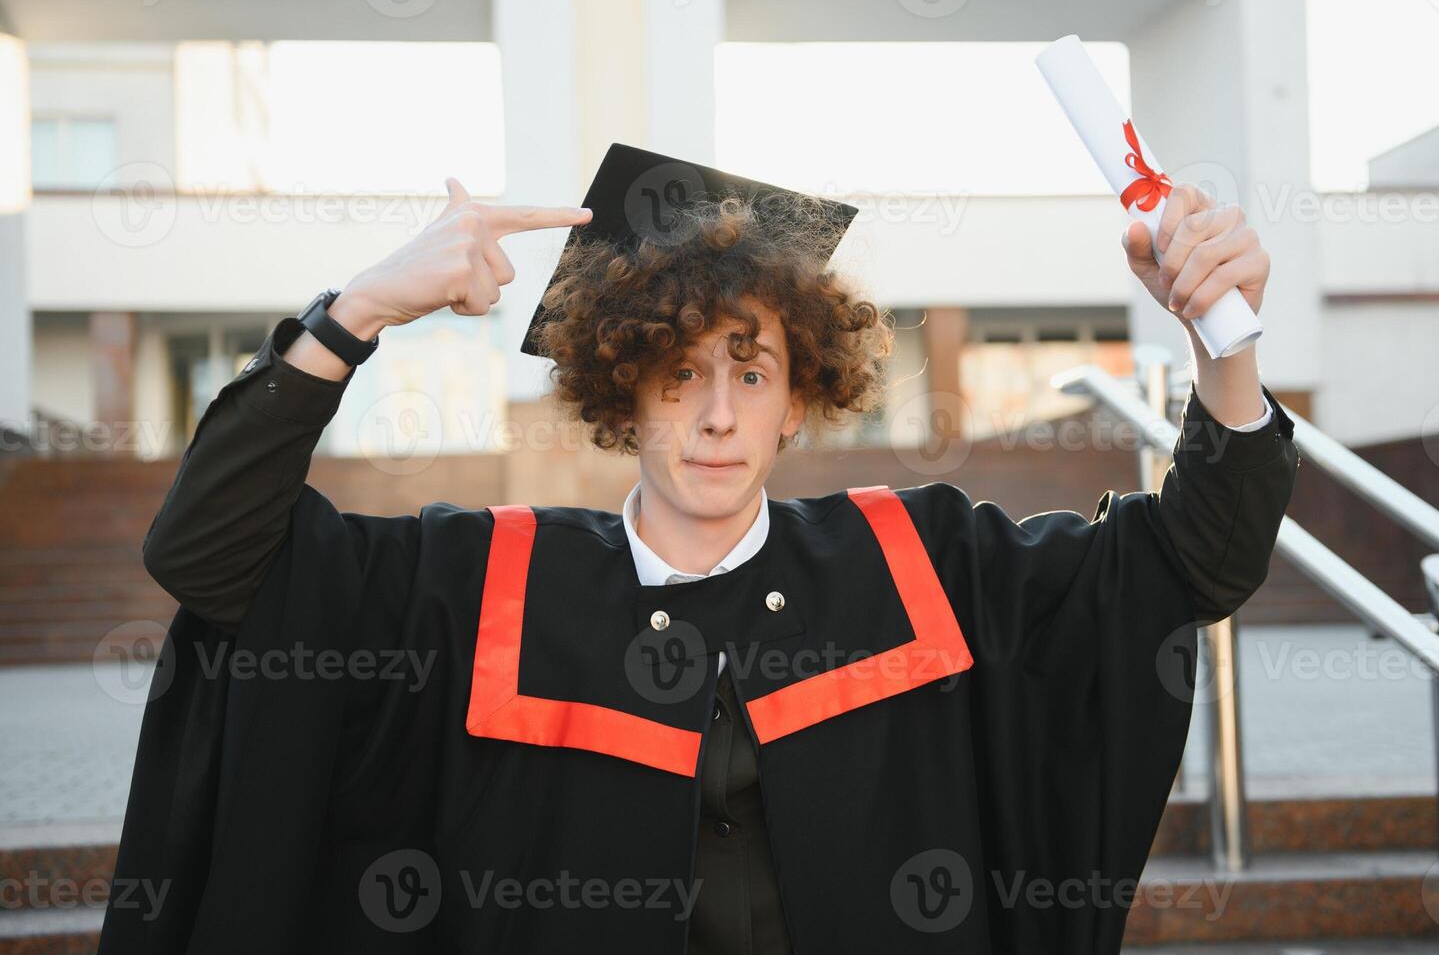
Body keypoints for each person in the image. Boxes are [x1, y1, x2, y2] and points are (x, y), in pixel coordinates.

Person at [100, 145, 1297, 955]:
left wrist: (1220, 342)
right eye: (678, 374)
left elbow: (1197, 557)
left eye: (752, 371)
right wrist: (354, 310)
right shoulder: (479, 583)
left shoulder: (921, 560)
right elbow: (212, 551)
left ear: (799, 398)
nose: (717, 413)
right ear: (624, 398)